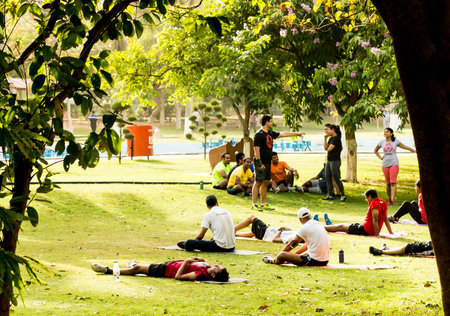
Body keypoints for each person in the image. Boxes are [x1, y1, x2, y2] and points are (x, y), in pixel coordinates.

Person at [252, 115, 305, 211]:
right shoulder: (258, 134)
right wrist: (259, 163)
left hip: (268, 162)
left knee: (266, 182)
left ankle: (263, 203)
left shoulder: (270, 133)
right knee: (258, 182)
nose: (272, 123)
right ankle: (254, 204)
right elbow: (256, 149)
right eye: (271, 121)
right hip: (261, 162)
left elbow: (283, 134)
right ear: (267, 122)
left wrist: (296, 133)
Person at [262, 207, 329, 266]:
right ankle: (288, 260)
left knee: (282, 255)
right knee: (297, 255)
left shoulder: (304, 228)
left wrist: (279, 255)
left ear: (300, 219)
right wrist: (296, 254)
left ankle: (273, 261)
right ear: (309, 215)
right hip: (325, 261)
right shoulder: (318, 223)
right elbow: (306, 245)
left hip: (314, 261)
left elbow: (291, 245)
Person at [91, 257, 229, 281]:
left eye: (216, 269)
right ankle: (130, 266)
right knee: (139, 269)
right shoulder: (207, 267)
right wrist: (199, 260)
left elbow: (178, 277)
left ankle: (108, 270)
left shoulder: (199, 275)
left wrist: (186, 262)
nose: (215, 266)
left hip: (166, 271)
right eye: (218, 265)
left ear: (213, 276)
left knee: (138, 269)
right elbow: (203, 264)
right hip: (169, 265)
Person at [373, 127, 416, 205]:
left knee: (393, 182)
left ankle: (392, 200)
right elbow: (375, 151)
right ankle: (389, 199)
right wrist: (380, 157)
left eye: (387, 132)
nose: (385, 133)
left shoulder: (395, 141)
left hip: (394, 163)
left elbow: (406, 147)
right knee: (388, 183)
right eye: (384, 132)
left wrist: (414, 151)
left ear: (391, 134)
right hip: (385, 164)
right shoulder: (381, 142)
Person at [324, 189, 394, 237]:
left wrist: (377, 235)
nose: (366, 200)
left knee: (341, 227)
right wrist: (391, 232)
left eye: (366, 198)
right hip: (365, 227)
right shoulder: (383, 202)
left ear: (369, 196)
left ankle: (321, 228)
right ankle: (330, 224)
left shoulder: (374, 203)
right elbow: (385, 219)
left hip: (365, 230)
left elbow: (375, 220)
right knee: (348, 224)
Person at [322, 124, 346, 202]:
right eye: (325, 130)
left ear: (333, 130)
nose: (326, 131)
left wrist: (328, 146)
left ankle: (342, 195)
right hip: (329, 161)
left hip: (335, 161)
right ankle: (330, 195)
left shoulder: (336, 139)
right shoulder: (331, 139)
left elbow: (329, 149)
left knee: (336, 178)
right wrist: (325, 139)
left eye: (327, 129)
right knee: (328, 178)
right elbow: (326, 148)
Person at [369, 241, 433, 257]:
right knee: (409, 246)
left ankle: (381, 251)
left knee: (407, 248)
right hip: (431, 245)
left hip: (430, 248)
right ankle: (386, 250)